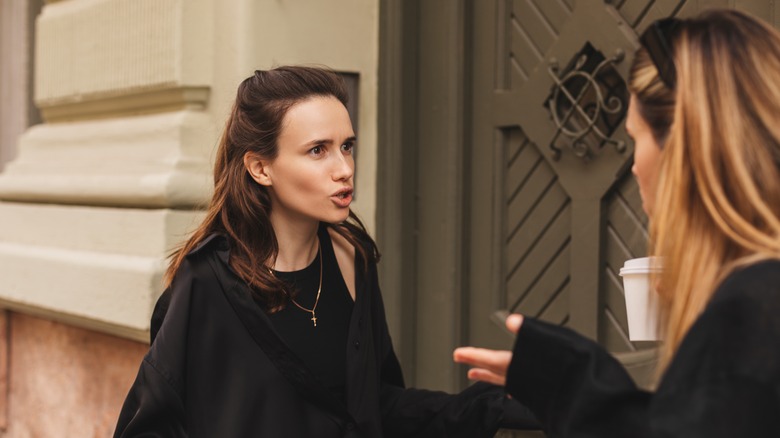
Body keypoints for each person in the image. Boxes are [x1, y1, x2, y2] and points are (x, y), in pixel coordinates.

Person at [114, 65, 537, 437]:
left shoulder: (353, 260)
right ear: (260, 168)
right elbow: (151, 425)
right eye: (318, 150)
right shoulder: (208, 282)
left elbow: (378, 406)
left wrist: (497, 404)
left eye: (347, 145)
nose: (344, 169)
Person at [454, 9, 780, 437]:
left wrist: (576, 385)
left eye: (635, 138)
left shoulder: (751, 311)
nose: (633, 167)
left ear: (683, 147)